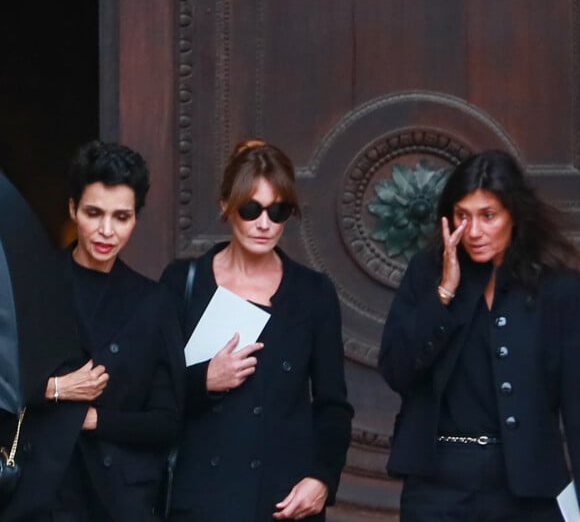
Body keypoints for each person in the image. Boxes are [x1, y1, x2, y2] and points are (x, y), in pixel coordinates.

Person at [378, 149, 580, 521]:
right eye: (462, 216)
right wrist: (444, 293)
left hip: (527, 485)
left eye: (488, 216)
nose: (473, 231)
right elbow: (397, 370)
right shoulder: (428, 274)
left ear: (514, 216)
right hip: (438, 483)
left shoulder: (559, 290)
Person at [160, 139, 353, 521]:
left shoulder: (312, 293)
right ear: (225, 206)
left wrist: (322, 477)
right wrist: (204, 380)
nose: (264, 224)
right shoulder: (183, 282)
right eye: (251, 209)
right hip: (201, 500)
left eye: (278, 211)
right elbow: (150, 390)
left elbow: (333, 405)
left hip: (281, 501)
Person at [0, 141, 184, 521]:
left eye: (121, 217)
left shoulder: (154, 302)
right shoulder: (30, 288)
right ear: (72, 209)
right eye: (94, 213)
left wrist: (93, 419)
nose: (106, 230)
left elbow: (167, 420)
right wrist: (57, 390)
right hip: (44, 494)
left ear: (136, 219)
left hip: (121, 501)